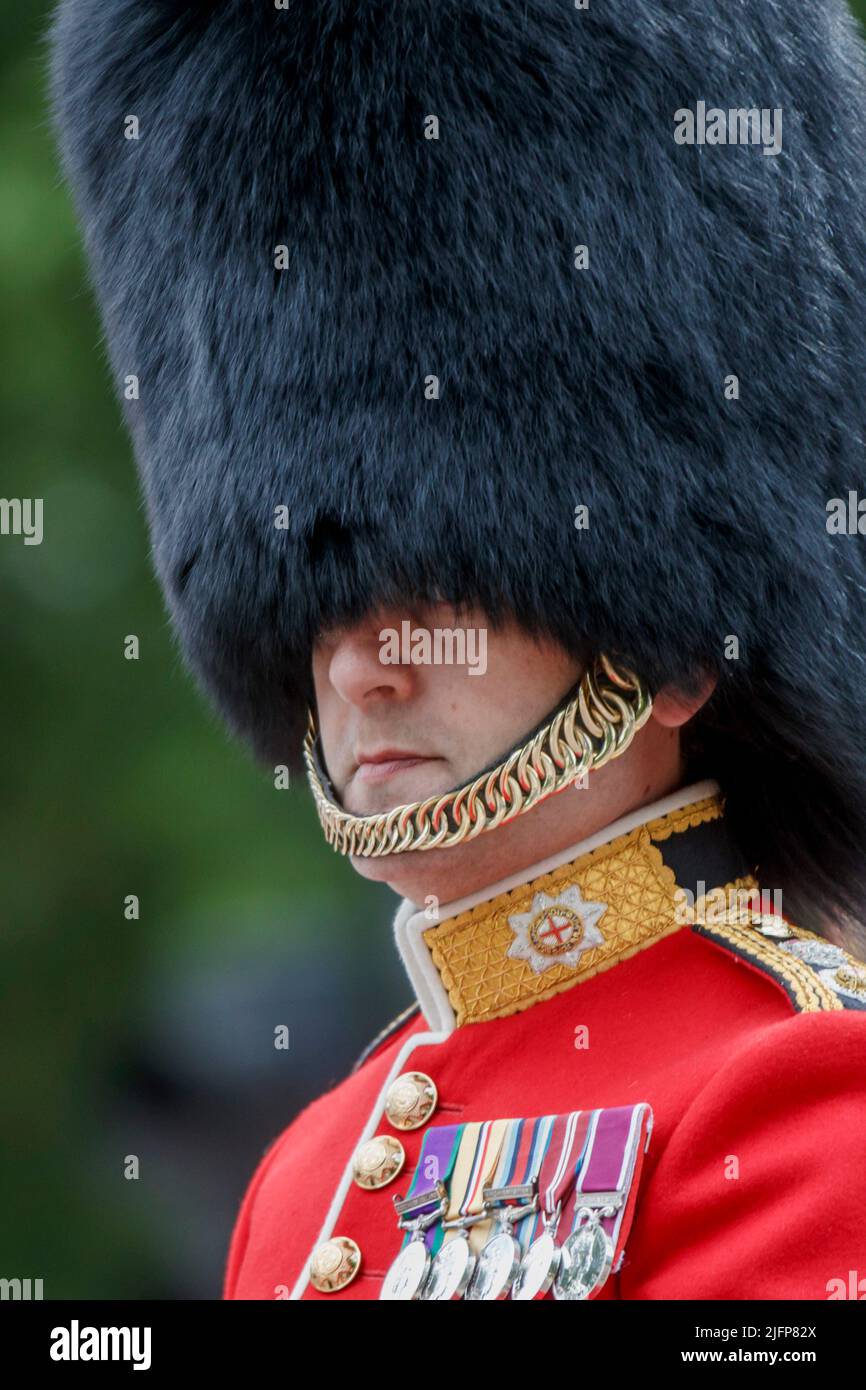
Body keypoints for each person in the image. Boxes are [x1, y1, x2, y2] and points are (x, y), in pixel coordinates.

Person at [50, 0, 866, 1300]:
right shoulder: (307, 1166)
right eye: (314, 596)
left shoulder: (800, 1100)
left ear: (667, 652)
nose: (355, 666)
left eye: (432, 585)